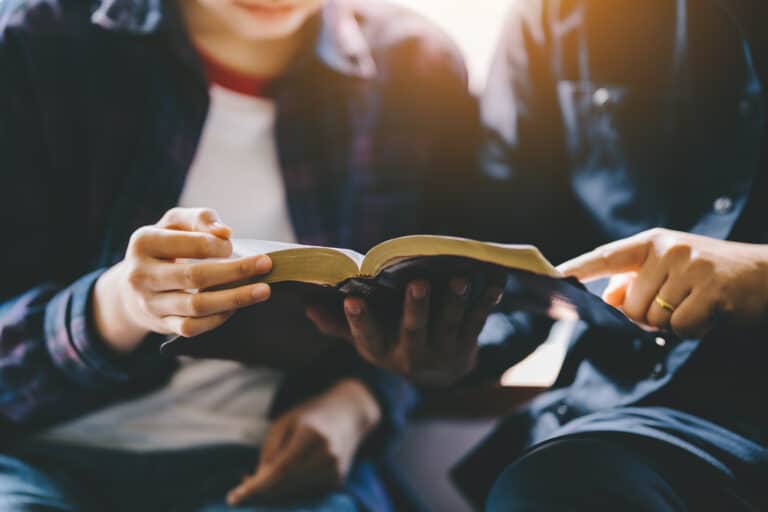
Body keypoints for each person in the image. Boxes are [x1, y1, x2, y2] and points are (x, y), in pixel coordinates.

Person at [0, 0, 480, 510]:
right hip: (38, 454)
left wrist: (359, 405)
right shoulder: (37, 43)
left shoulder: (418, 69)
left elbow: (475, 305)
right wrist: (116, 306)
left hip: (273, 466)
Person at [310, 1, 768, 510]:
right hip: (632, 426)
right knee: (553, 487)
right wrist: (446, 341)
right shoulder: (555, 17)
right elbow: (518, 266)